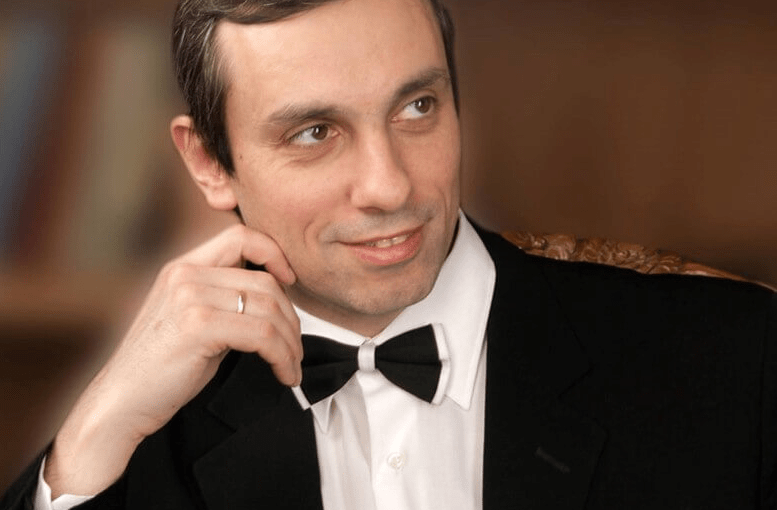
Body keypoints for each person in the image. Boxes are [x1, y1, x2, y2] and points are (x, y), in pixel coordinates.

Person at [2, 0, 776, 508]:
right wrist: (90, 437)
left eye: (416, 107)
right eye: (315, 132)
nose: (388, 185)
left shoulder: (739, 361)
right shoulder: (132, 445)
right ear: (209, 163)